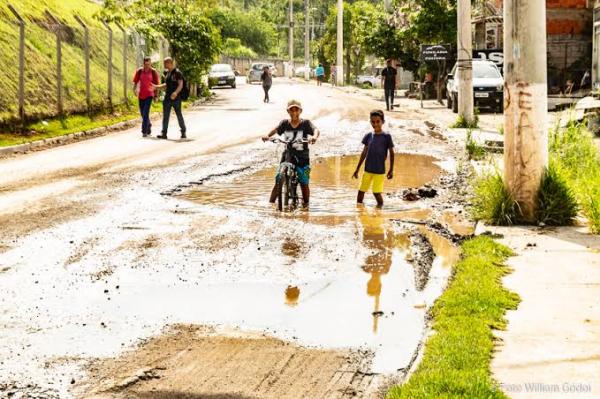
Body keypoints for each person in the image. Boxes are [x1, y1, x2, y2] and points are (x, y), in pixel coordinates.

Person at [262, 99, 320, 206]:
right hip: (287, 156)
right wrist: (267, 135)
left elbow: (316, 130)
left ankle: (306, 206)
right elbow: (275, 129)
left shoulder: (306, 123)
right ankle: (270, 205)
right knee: (278, 180)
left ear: (300, 111)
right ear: (288, 111)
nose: (294, 113)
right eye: (291, 110)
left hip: (303, 158)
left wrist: (314, 137)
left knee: (304, 182)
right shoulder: (284, 123)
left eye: (296, 110)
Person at [352, 110, 395, 208]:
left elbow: (392, 153)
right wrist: (357, 168)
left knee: (376, 193)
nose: (375, 124)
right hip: (367, 170)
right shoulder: (368, 136)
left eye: (378, 121)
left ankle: (379, 212)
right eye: (373, 122)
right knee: (360, 192)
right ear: (370, 122)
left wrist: (391, 170)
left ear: (382, 122)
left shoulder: (386, 136)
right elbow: (364, 153)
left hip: (379, 171)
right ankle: (360, 212)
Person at [152, 57, 187, 139]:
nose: (164, 65)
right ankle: (164, 133)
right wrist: (156, 87)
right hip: (167, 97)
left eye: (165, 63)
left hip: (176, 98)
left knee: (179, 115)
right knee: (165, 116)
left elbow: (180, 84)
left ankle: (183, 132)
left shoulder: (177, 73)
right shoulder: (167, 73)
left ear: (170, 63)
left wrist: (175, 92)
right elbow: (166, 85)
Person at [132, 56, 159, 137]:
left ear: (150, 63)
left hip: (149, 94)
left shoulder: (153, 72)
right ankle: (149, 124)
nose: (147, 65)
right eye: (146, 64)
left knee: (146, 112)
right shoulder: (140, 71)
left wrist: (156, 95)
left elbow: (157, 85)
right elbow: (135, 81)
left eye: (149, 64)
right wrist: (134, 90)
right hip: (141, 95)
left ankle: (144, 131)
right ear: (143, 63)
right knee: (142, 113)